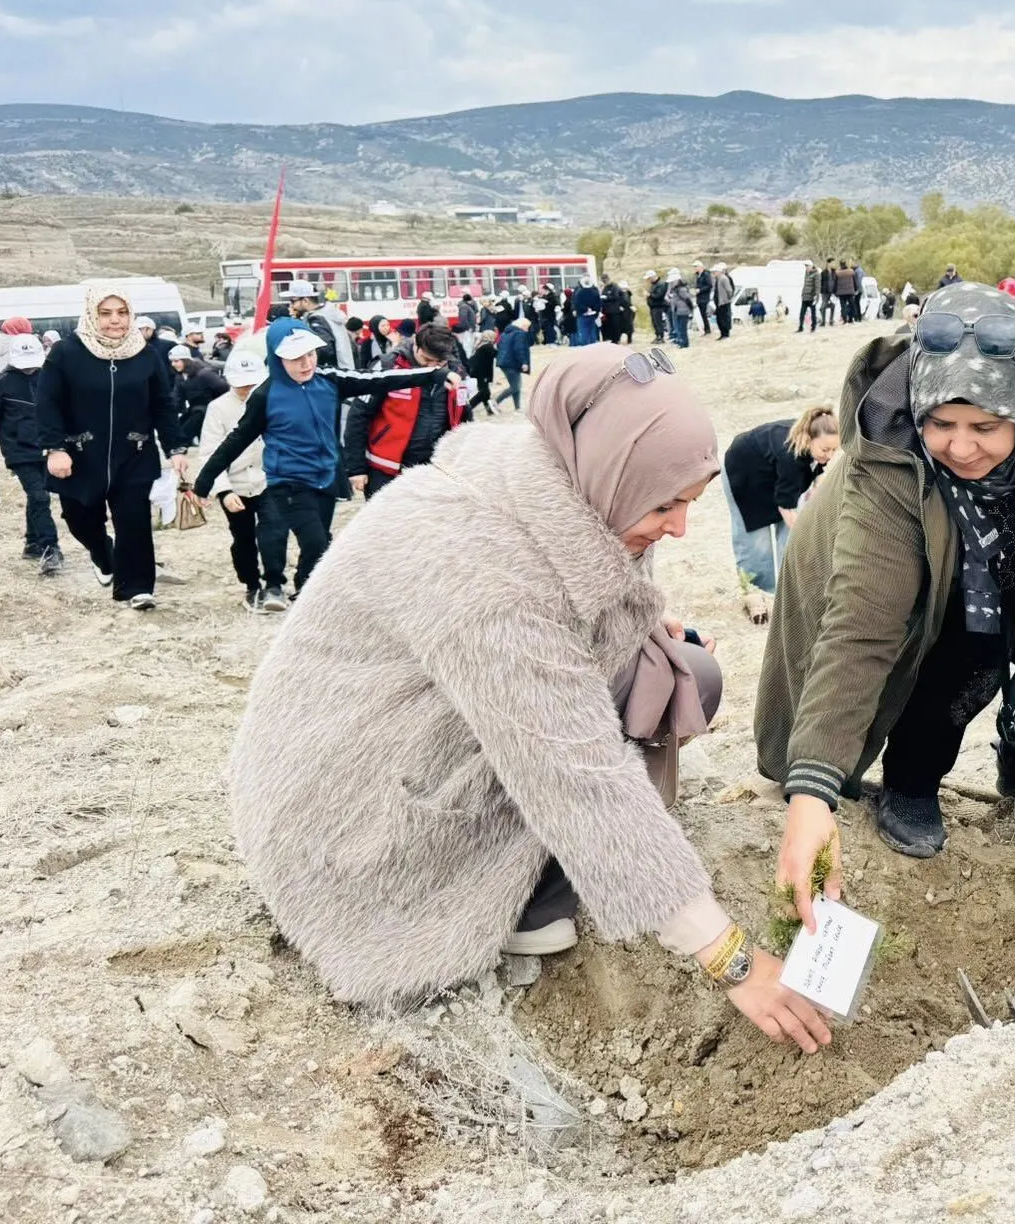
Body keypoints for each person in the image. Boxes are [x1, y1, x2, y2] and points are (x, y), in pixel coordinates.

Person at [222, 346, 833, 1050]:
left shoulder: (564, 481)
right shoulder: (477, 566)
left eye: (689, 501)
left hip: (418, 726)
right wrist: (735, 961)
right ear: (606, 468)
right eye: (665, 504)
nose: (680, 527)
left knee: (684, 673)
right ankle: (515, 900)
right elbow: (578, 774)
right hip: (343, 810)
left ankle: (572, 870)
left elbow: (582, 598)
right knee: (595, 759)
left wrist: (640, 621)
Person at [757, 283, 1015, 873]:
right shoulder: (886, 466)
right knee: (963, 664)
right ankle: (910, 785)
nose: (961, 447)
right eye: (942, 423)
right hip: (939, 583)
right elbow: (861, 632)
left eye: (985, 427)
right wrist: (813, 790)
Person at [192, 318, 447, 610]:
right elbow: (236, 440)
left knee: (319, 542)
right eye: (296, 358)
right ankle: (296, 591)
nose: (306, 363)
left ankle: (304, 590)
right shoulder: (265, 394)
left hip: (325, 477)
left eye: (310, 354)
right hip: (287, 481)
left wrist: (430, 375)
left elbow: (377, 380)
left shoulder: (327, 379)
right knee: (317, 543)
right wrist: (205, 482)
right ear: (277, 357)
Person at [35, 283, 185, 609]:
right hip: (80, 455)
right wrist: (55, 447)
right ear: (92, 314)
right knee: (79, 517)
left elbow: (162, 405)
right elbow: (47, 402)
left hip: (134, 453)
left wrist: (175, 449)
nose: (115, 321)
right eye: (105, 313)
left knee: (134, 521)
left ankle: (138, 588)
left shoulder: (145, 354)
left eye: (122, 313)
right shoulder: (66, 353)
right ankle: (103, 554)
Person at [723, 404, 839, 622]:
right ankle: (758, 593)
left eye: (834, 450)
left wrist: (816, 487)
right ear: (809, 439)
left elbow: (817, 470)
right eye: (826, 450)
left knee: (792, 535)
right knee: (757, 543)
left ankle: (790, 589)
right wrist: (803, 534)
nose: (830, 455)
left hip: (775, 475)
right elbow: (787, 508)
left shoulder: (813, 444)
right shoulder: (791, 457)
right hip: (744, 474)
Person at [343, 324, 468, 499]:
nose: (432, 367)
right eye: (426, 360)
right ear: (416, 345)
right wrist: (356, 468)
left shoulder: (457, 372)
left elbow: (464, 417)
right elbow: (358, 415)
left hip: (434, 467)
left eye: (438, 363)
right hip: (386, 467)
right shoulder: (387, 366)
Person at [0, 328, 63, 574]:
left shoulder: (50, 376)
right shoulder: (0, 382)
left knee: (38, 496)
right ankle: (50, 549)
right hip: (17, 449)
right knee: (40, 497)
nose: (29, 369)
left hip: (47, 447)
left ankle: (32, 543)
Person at [196, 347, 271, 610]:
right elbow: (209, 452)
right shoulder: (218, 409)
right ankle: (252, 584)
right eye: (242, 386)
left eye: (254, 384)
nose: (248, 390)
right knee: (243, 538)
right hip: (236, 484)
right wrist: (224, 491)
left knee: (273, 532)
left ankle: (274, 582)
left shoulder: (272, 400)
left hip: (268, 480)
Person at [173, 346, 230, 449]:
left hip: (210, 408)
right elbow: (177, 398)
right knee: (180, 426)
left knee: (198, 415)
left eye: (177, 361)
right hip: (195, 407)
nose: (173, 364)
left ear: (186, 360)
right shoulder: (180, 377)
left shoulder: (205, 374)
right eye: (172, 361)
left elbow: (224, 388)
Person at [494, 317, 533, 412]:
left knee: (516, 385)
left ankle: (517, 407)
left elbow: (499, 345)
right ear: (523, 326)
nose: (527, 330)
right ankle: (495, 402)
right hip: (511, 362)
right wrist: (524, 362)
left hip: (504, 362)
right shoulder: (520, 334)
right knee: (515, 386)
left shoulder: (505, 333)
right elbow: (519, 349)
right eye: (527, 327)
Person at [466, 327, 500, 417]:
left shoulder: (481, 345)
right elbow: (497, 354)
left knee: (486, 393)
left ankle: (489, 410)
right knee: (483, 393)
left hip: (478, 372)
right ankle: (468, 407)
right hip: (482, 373)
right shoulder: (488, 346)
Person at [664, 270, 694, 350]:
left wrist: (691, 310)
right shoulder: (675, 289)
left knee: (682, 328)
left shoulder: (681, 289)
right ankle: (681, 342)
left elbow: (688, 299)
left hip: (683, 311)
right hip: (677, 310)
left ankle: (684, 343)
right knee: (679, 327)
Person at [572, 277, 604, 346]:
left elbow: (577, 304)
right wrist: (594, 311)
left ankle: (585, 346)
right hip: (592, 315)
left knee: (583, 331)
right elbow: (598, 304)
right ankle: (593, 345)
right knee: (592, 331)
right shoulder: (595, 292)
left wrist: (585, 309)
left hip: (582, 315)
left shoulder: (579, 293)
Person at [711, 262, 737, 340]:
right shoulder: (718, 279)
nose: (713, 273)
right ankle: (722, 334)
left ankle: (726, 334)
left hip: (724, 302)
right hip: (719, 303)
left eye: (715, 272)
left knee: (724, 319)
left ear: (719, 271)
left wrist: (728, 299)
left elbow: (729, 290)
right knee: (720, 319)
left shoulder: (724, 278)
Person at [796, 261, 819, 333]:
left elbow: (818, 286)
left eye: (807, 266)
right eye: (805, 266)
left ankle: (813, 327)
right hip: (805, 297)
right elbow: (805, 285)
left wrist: (817, 296)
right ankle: (800, 327)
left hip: (812, 297)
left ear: (811, 266)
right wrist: (802, 294)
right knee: (802, 313)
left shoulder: (816, 274)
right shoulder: (806, 273)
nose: (806, 268)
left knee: (813, 313)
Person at [644, 272, 668, 341]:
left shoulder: (661, 284)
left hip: (658, 306)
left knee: (658, 322)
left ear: (652, 277)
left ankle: (661, 337)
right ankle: (657, 336)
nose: (648, 280)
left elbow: (659, 295)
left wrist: (649, 295)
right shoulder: (653, 284)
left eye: (649, 278)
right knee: (654, 322)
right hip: (653, 306)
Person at [693, 262, 714, 336]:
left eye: (696, 266)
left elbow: (709, 285)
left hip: (704, 297)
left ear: (700, 267)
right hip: (699, 297)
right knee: (702, 314)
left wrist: (700, 290)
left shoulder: (706, 274)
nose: (695, 268)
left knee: (704, 314)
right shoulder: (698, 275)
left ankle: (707, 329)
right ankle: (706, 329)